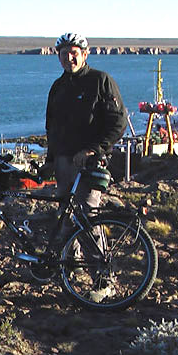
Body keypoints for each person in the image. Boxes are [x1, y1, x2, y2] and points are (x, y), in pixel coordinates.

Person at [43, 32, 127, 249]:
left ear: (85, 54)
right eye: (64, 54)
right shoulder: (58, 87)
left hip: (87, 163)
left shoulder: (100, 81)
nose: (69, 58)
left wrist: (94, 149)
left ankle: (101, 277)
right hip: (62, 163)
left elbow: (118, 122)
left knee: (87, 218)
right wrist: (50, 161)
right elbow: (52, 127)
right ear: (58, 56)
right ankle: (68, 271)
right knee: (64, 217)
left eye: (74, 53)